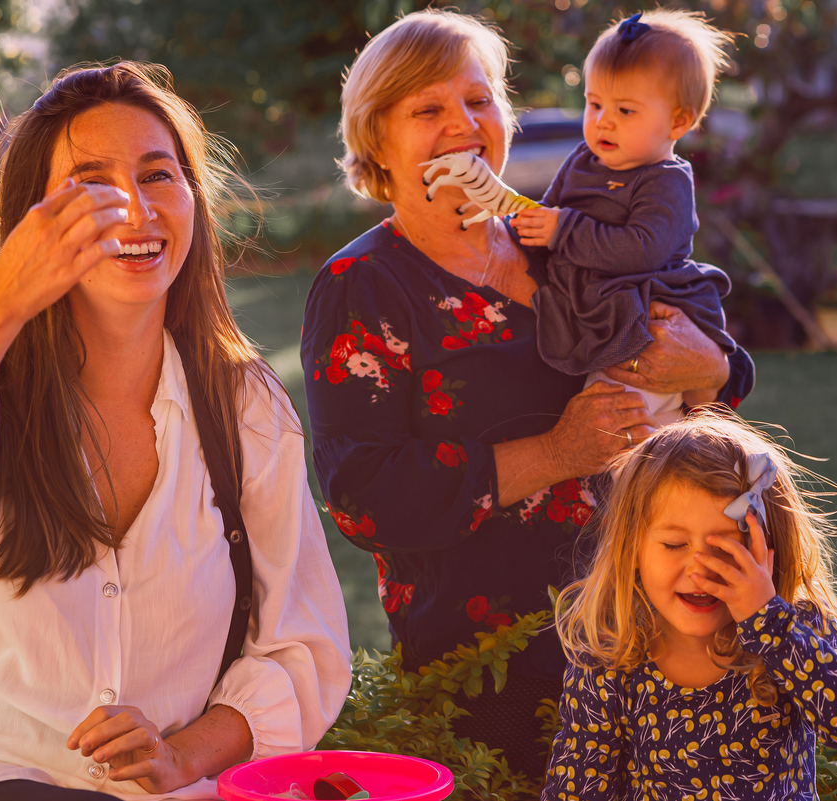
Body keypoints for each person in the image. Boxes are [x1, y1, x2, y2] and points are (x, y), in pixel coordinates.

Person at [301, 9, 753, 780]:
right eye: (427, 109)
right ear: (378, 140)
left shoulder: (562, 240)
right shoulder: (364, 287)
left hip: (650, 638)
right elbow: (363, 495)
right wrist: (556, 453)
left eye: (479, 101)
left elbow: (702, 372)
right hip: (494, 667)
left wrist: (710, 368)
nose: (462, 127)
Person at [0, 63, 351, 801]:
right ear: (35, 216)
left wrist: (182, 756)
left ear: (194, 200)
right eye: (91, 180)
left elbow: (302, 643)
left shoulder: (244, 407)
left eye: (158, 174)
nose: (134, 208)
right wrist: (0, 305)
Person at [543, 410, 837, 801]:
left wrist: (768, 622)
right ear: (632, 549)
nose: (699, 569)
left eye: (725, 547)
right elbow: (580, 788)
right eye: (675, 545)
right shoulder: (612, 655)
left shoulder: (792, 632)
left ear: (767, 549)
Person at [511, 10, 739, 426]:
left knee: (635, 425)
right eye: (594, 103)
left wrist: (564, 229)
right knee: (599, 416)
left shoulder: (665, 181)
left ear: (679, 120)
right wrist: (519, 225)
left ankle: (656, 471)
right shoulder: (583, 158)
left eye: (626, 110)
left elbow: (641, 250)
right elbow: (545, 215)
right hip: (594, 306)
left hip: (644, 313)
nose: (604, 120)